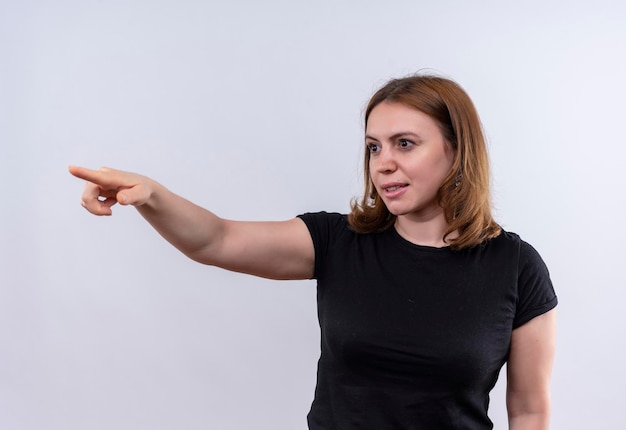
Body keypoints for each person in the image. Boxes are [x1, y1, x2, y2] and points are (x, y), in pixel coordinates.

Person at [69, 74, 557, 430]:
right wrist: (152, 194)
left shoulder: (515, 267)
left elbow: (530, 411)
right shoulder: (339, 242)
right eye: (373, 147)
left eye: (404, 144)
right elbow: (215, 239)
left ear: (456, 152)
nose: (383, 163)